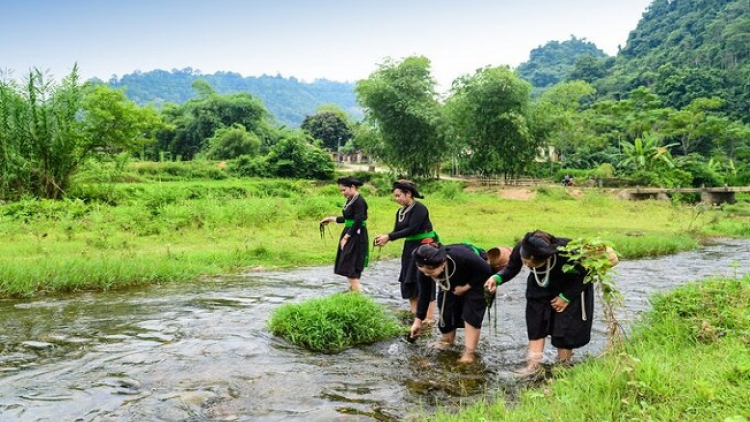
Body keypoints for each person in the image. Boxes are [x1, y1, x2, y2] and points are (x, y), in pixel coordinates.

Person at [484, 230, 593, 376]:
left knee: (564, 329)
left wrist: (566, 297)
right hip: (539, 286)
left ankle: (563, 366)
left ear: (547, 257)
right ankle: (533, 366)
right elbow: (512, 268)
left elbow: (588, 273)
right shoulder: (522, 247)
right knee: (536, 324)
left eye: (533, 264)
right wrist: (497, 278)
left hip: (569, 287)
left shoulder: (567, 251)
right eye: (525, 262)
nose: (527, 265)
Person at [409, 242, 493, 364]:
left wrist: (466, 287)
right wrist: (417, 321)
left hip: (477, 279)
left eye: (430, 273)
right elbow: (424, 295)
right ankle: (447, 341)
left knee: (471, 314)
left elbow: (487, 270)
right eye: (424, 272)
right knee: (445, 311)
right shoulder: (424, 268)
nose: (427, 275)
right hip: (449, 282)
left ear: (442, 264)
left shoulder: (462, 256)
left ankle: (469, 353)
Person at [374, 180, 437, 321]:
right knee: (408, 279)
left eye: (398, 196)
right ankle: (416, 314)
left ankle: (429, 317)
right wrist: (385, 238)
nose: (397, 199)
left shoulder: (420, 208)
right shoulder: (400, 211)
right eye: (395, 197)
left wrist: (389, 237)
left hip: (424, 247)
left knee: (425, 278)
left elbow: (412, 229)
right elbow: (398, 231)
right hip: (410, 248)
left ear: (408, 193)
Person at [320, 176, 369, 293]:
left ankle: (358, 294)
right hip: (350, 231)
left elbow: (358, 221)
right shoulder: (351, 199)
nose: (343, 193)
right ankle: (353, 290)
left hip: (356, 234)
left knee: (350, 261)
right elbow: (348, 218)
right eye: (341, 191)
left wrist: (347, 236)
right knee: (346, 261)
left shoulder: (359, 201)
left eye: (344, 190)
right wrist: (332, 219)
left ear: (352, 187)